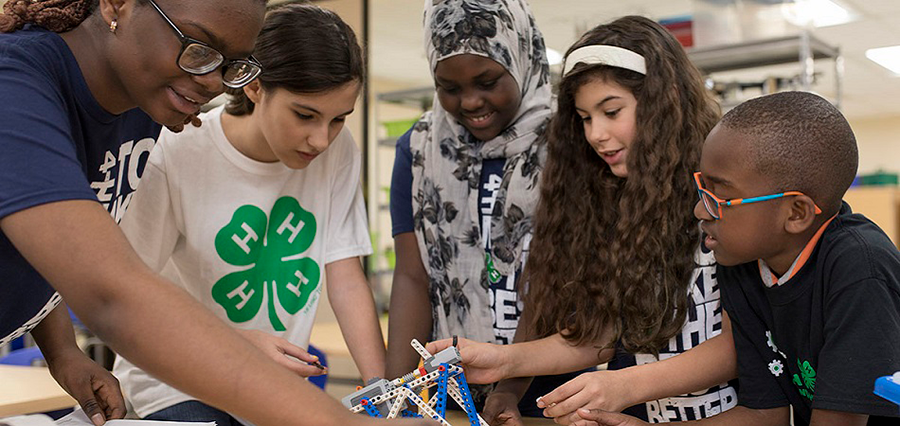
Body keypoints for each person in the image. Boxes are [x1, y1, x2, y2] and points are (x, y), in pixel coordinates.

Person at [0, 1, 429, 425]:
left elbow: (49, 251)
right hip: (177, 383)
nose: (213, 84)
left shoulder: (146, 105)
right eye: (199, 48)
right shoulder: (19, 86)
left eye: (232, 65)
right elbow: (114, 291)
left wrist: (62, 352)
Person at [427, 16, 743, 425]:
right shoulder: (611, 199)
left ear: (668, 100)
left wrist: (626, 385)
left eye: (611, 111)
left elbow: (744, 343)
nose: (596, 134)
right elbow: (599, 336)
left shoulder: (721, 193)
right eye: (585, 117)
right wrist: (503, 361)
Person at [110, 4, 386, 424]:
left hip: (267, 387)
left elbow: (345, 276)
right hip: (177, 381)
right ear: (254, 87)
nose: (321, 139)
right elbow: (129, 297)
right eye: (305, 115)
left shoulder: (340, 150)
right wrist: (236, 344)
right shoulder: (175, 153)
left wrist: (379, 391)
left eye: (338, 120)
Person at [574, 93, 900, 425]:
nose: (700, 210)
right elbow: (762, 413)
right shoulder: (745, 263)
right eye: (703, 189)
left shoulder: (860, 270)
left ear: (796, 212)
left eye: (722, 196)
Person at [386, 0, 587, 419]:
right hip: (448, 391)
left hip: (554, 389)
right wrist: (396, 393)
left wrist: (508, 391)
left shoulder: (571, 138)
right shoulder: (419, 149)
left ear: (520, 57)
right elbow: (411, 276)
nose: (471, 102)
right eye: (450, 87)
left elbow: (552, 275)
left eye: (488, 80)